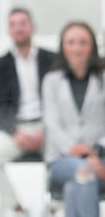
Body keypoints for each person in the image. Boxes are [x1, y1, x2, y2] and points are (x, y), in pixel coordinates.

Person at [0, 7, 54, 216]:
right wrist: (15, 132)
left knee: (67, 152)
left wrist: (46, 132)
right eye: (13, 24)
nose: (18, 28)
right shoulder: (0, 64)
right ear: (9, 30)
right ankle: (17, 207)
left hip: (47, 126)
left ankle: (55, 206)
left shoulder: (51, 59)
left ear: (32, 27)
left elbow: (59, 102)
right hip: (16, 128)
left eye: (23, 23)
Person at [43, 21, 105, 217]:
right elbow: (52, 124)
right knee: (84, 170)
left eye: (82, 42)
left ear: (92, 46)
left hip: (101, 155)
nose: (76, 48)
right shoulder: (51, 80)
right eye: (70, 42)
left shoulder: (103, 77)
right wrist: (84, 155)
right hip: (61, 158)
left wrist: (95, 150)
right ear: (63, 46)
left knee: (76, 183)